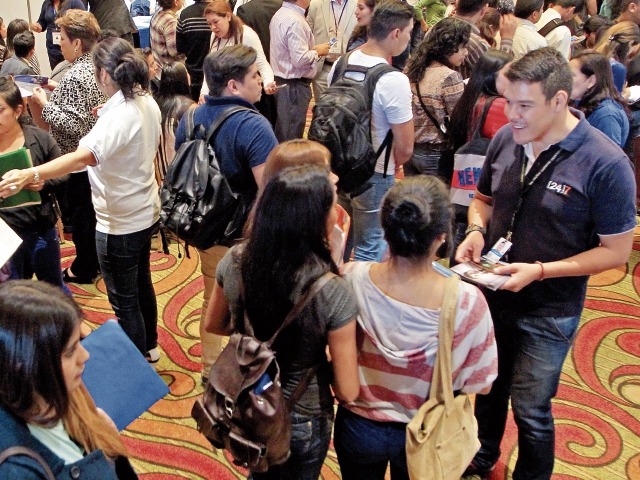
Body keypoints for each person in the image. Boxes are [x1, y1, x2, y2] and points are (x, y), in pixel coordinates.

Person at [456, 47, 636, 480]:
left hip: (549, 309)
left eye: (524, 105)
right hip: (493, 295)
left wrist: (540, 271)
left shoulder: (606, 163)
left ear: (559, 100)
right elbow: (480, 200)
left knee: (532, 409)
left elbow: (616, 252)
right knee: (489, 388)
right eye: (507, 102)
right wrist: (476, 231)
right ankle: (482, 458)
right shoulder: (507, 138)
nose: (511, 114)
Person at [0, 37, 162, 362]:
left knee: (124, 299)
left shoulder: (118, 118)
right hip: (145, 212)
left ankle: (136, 361)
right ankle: (151, 346)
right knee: (142, 285)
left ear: (104, 74)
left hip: (120, 222)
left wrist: (29, 175)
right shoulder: (144, 100)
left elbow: (79, 158)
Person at [335, 176, 497, 479]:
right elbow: (481, 383)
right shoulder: (466, 301)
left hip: (358, 425)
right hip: (427, 427)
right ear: (440, 237)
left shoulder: (349, 278)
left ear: (384, 230)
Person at [204, 163, 359, 479]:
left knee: (258, 468)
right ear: (315, 220)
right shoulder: (332, 288)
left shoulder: (234, 261)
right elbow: (347, 390)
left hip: (246, 399)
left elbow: (214, 325)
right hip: (302, 413)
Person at [174, 44, 278, 384]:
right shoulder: (253, 125)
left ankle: (209, 370)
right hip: (243, 234)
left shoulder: (189, 116)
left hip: (202, 227)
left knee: (211, 298)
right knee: (253, 306)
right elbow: (270, 191)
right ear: (233, 85)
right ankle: (248, 374)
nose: (261, 80)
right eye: (253, 75)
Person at [0, 280, 137, 479]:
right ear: (28, 365)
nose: (85, 356)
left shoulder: (65, 390)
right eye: (70, 351)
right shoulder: (15, 471)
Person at [328, 0, 415, 263]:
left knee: (339, 238)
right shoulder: (393, 79)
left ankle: (336, 295)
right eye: (409, 32)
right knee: (371, 246)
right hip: (375, 172)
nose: (409, 39)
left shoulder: (341, 64)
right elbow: (406, 148)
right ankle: (362, 302)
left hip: (339, 165)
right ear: (396, 33)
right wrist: (389, 166)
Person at [30, 10, 106, 286]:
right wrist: (54, 87)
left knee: (83, 217)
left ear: (76, 42)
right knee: (91, 214)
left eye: (61, 38)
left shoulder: (76, 75)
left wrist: (44, 103)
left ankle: (84, 268)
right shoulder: (96, 66)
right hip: (95, 157)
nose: (57, 43)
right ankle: (92, 261)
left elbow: (74, 124)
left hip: (77, 159)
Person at [0, 78, 69, 292]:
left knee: (52, 288)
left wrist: (43, 182)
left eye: (0, 110)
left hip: (39, 227)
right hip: (5, 232)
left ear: (18, 110)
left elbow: (65, 173)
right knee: (13, 294)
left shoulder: (39, 138)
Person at [448, 50, 511, 263]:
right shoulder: (499, 106)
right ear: (494, 76)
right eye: (509, 73)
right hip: (486, 177)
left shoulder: (470, 97)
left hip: (464, 172)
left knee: (462, 225)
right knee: (478, 229)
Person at [404, 17, 470, 178]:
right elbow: (459, 119)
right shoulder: (449, 77)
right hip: (436, 152)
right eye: (461, 47)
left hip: (410, 150)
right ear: (448, 46)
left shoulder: (411, 69)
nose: (465, 52)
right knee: (435, 199)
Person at [270, 0, 330, 141]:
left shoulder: (281, 14)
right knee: (291, 134)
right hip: (294, 87)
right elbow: (300, 60)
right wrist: (318, 51)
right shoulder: (295, 20)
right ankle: (288, 163)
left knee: (285, 130)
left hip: (284, 82)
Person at [199, 0, 276, 100]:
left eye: (216, 22)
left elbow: (261, 63)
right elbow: (211, 67)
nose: (213, 27)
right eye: (209, 24)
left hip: (246, 94)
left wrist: (268, 82)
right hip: (225, 94)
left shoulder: (246, 34)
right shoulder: (214, 36)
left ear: (228, 16)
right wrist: (204, 92)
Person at [236, 0, 283, 125]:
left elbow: (244, 46)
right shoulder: (282, 5)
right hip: (282, 68)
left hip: (256, 71)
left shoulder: (245, 10)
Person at [570, 50, 630, 147]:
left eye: (571, 75)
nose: (565, 80)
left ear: (591, 80)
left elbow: (608, 158)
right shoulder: (578, 102)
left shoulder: (607, 115)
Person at [307, 0, 359, 101]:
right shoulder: (316, 3)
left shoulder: (358, 4)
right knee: (322, 111)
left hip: (348, 70)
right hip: (322, 69)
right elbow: (308, 34)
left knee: (345, 111)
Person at [452, 0, 516, 79]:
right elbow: (500, 75)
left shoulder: (436, 27)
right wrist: (507, 39)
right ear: (484, 9)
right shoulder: (475, 43)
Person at [155, 61, 194, 182]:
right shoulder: (190, 107)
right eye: (186, 72)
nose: (189, 75)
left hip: (161, 176)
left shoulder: (156, 105)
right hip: (183, 176)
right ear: (182, 78)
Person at [30, 0, 86, 69]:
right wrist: (38, 26)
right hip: (52, 48)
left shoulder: (74, 2)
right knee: (56, 72)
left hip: (70, 47)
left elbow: (83, 22)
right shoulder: (47, 3)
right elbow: (42, 22)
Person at [176, 0, 212, 101]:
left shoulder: (185, 14)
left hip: (192, 72)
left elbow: (179, 48)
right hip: (214, 72)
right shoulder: (216, 13)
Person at [594, 21, 640, 92]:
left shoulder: (592, 55)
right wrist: (628, 93)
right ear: (631, 43)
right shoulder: (618, 67)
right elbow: (614, 99)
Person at [150, 0, 185, 78]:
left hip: (158, 68)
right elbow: (174, 51)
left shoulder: (157, 15)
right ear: (175, 2)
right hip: (169, 73)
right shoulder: (171, 21)